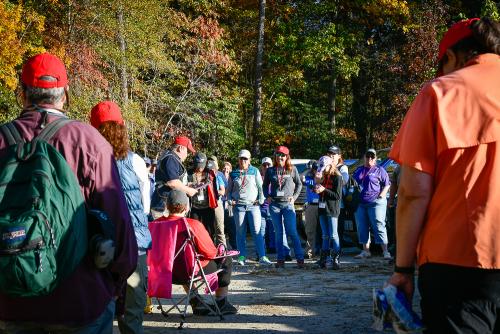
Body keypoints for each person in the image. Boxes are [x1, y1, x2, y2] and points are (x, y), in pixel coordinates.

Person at [0, 53, 137, 332]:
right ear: (65, 94)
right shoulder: (89, 141)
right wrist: (117, 281)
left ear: (22, 93)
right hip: (79, 300)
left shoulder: (2, 139)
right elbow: (118, 223)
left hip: (9, 299)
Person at [387, 18, 500, 333]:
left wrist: (402, 269)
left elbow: (413, 192)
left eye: (441, 65)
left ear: (452, 55)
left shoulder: (441, 92)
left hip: (460, 260)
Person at [90, 101, 151, 334]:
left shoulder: (87, 162)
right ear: (122, 127)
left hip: (99, 244)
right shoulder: (136, 162)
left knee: (100, 309)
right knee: (132, 311)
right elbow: (144, 206)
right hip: (135, 244)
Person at [158, 190, 238, 315]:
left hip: (164, 271)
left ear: (166, 206)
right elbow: (210, 253)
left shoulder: (156, 224)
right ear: (186, 206)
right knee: (226, 259)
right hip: (188, 271)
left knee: (179, 260)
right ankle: (221, 302)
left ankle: (196, 301)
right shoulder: (192, 224)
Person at [227, 150, 272, 266]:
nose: (243, 161)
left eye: (245, 159)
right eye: (241, 158)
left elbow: (261, 188)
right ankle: (241, 257)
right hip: (239, 207)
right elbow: (229, 191)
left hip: (253, 206)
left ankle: (262, 256)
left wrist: (261, 200)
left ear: (249, 160)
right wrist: (229, 199)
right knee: (240, 233)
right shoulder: (233, 173)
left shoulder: (255, 171)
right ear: (238, 159)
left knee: (257, 232)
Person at [263, 145, 304, 268]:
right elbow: (265, 186)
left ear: (287, 157)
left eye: (283, 155)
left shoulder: (293, 169)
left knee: (292, 231)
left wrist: (294, 197)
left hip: (288, 205)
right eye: (278, 154)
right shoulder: (270, 170)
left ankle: (300, 259)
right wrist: (267, 196)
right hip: (275, 205)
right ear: (275, 156)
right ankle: (280, 259)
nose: (280, 157)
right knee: (278, 233)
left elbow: (299, 184)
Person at [353, 148, 391, 259]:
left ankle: (385, 251)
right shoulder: (359, 170)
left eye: (372, 157)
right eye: (367, 156)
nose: (369, 158)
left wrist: (381, 195)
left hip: (376, 202)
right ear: (364, 158)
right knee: (362, 226)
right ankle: (366, 251)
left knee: (379, 225)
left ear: (375, 159)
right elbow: (353, 183)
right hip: (361, 203)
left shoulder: (380, 170)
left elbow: (387, 184)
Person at [151, 135, 198, 218]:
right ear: (180, 148)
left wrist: (187, 185)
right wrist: (188, 190)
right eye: (187, 151)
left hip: (166, 205)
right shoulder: (171, 159)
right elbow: (172, 182)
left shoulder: (170, 157)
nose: (187, 155)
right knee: (165, 231)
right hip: (163, 207)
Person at [314, 155, 343, 270]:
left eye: (324, 168)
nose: (323, 170)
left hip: (332, 209)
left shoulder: (337, 177)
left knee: (333, 235)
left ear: (330, 166)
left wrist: (324, 190)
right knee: (325, 235)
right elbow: (320, 190)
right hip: (322, 209)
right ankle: (324, 259)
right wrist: (316, 188)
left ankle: (336, 259)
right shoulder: (323, 176)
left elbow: (337, 196)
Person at [189, 152, 217, 241]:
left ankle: (211, 251)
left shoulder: (209, 173)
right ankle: (196, 252)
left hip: (208, 207)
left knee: (209, 231)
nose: (200, 167)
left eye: (202, 165)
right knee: (195, 231)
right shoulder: (189, 174)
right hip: (194, 207)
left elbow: (215, 189)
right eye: (198, 165)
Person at [303, 160, 320, 259]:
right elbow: (302, 178)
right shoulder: (309, 178)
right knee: (310, 230)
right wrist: (308, 170)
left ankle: (324, 251)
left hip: (322, 205)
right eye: (315, 169)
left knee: (323, 231)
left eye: (318, 169)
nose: (317, 171)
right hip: (311, 205)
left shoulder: (323, 178)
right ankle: (310, 251)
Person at [208, 155, 227, 246]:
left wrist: (213, 192)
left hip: (217, 202)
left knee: (219, 228)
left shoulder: (219, 175)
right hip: (205, 204)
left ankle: (223, 250)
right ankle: (210, 250)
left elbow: (223, 191)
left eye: (213, 161)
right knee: (208, 228)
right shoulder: (204, 174)